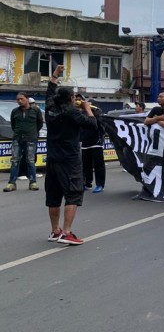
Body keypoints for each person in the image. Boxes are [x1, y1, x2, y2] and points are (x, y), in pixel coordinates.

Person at [45, 65, 97, 245]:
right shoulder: (72, 112)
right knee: (73, 194)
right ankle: (66, 232)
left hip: (52, 157)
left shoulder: (50, 107)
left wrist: (55, 75)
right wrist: (87, 107)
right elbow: (92, 124)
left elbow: (50, 91)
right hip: (69, 159)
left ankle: (54, 231)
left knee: (53, 195)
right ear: (70, 98)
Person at [3, 92, 44, 192]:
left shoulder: (36, 111)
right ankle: (11, 183)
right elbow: (13, 124)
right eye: (18, 99)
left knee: (30, 160)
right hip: (17, 139)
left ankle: (33, 182)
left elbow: (39, 124)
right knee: (14, 161)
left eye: (21, 99)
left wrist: (32, 133)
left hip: (31, 139)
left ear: (27, 99)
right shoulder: (15, 111)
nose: (19, 101)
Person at [75, 94, 106, 193]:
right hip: (85, 143)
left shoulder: (98, 115)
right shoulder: (83, 114)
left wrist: (101, 138)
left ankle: (100, 184)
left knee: (98, 165)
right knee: (86, 165)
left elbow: (102, 128)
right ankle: (87, 183)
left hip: (96, 143)